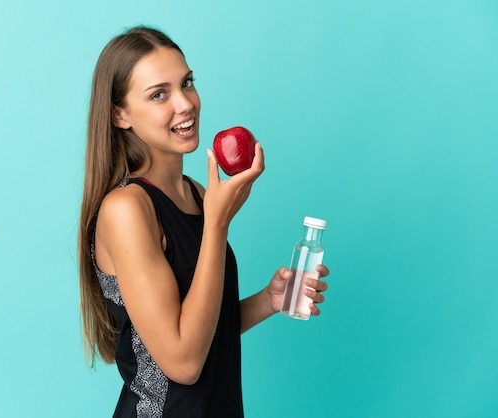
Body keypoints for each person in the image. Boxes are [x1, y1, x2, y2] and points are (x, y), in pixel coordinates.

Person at [78, 26, 330, 417]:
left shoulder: (196, 193)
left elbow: (201, 326)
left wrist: (268, 301)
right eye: (159, 94)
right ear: (120, 114)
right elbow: (183, 362)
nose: (185, 104)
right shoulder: (126, 209)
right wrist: (216, 226)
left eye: (187, 83)